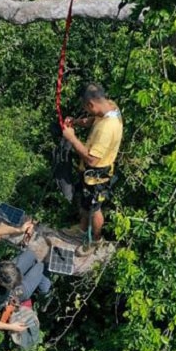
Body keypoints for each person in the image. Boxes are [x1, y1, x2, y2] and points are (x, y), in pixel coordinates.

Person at [60, 83, 123, 246]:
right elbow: (93, 119)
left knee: (95, 209)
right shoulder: (110, 107)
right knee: (86, 202)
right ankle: (82, 228)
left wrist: (72, 138)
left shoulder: (108, 128)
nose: (87, 112)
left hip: (97, 176)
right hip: (89, 174)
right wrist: (76, 122)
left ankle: (95, 240)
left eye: (86, 109)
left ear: (91, 104)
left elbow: (92, 160)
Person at [0, 219, 51, 332]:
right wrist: (11, 327)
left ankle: (41, 285)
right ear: (1, 283)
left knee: (31, 254)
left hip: (8, 275)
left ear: (2, 263)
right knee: (40, 267)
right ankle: (44, 297)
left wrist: (19, 230)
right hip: (14, 295)